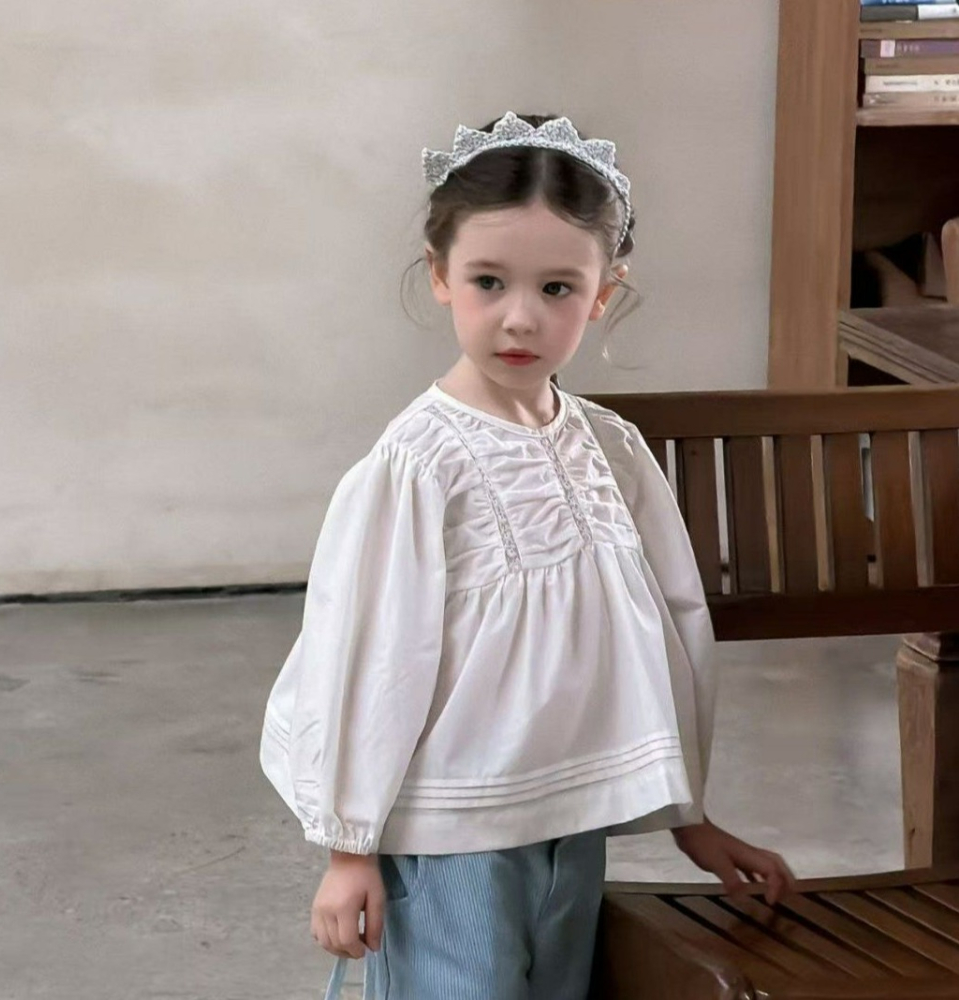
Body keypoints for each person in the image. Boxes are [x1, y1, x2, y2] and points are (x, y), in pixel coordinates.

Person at [260, 110, 795, 1000]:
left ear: (603, 294)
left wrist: (689, 817)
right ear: (440, 276)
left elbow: (669, 633)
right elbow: (366, 655)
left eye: (556, 288)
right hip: (450, 829)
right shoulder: (418, 466)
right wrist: (349, 848)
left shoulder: (609, 449)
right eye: (488, 281)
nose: (521, 317)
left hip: (567, 816)